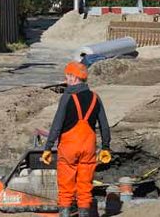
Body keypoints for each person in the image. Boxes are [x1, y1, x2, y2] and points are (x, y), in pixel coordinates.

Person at [41, 62, 112, 217]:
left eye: (67, 76)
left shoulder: (67, 98)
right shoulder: (95, 98)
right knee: (85, 186)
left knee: (66, 187)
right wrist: (106, 147)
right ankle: (84, 213)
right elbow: (104, 126)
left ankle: (65, 213)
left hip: (68, 148)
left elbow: (57, 125)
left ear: (73, 77)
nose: (66, 79)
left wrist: (48, 148)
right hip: (88, 148)